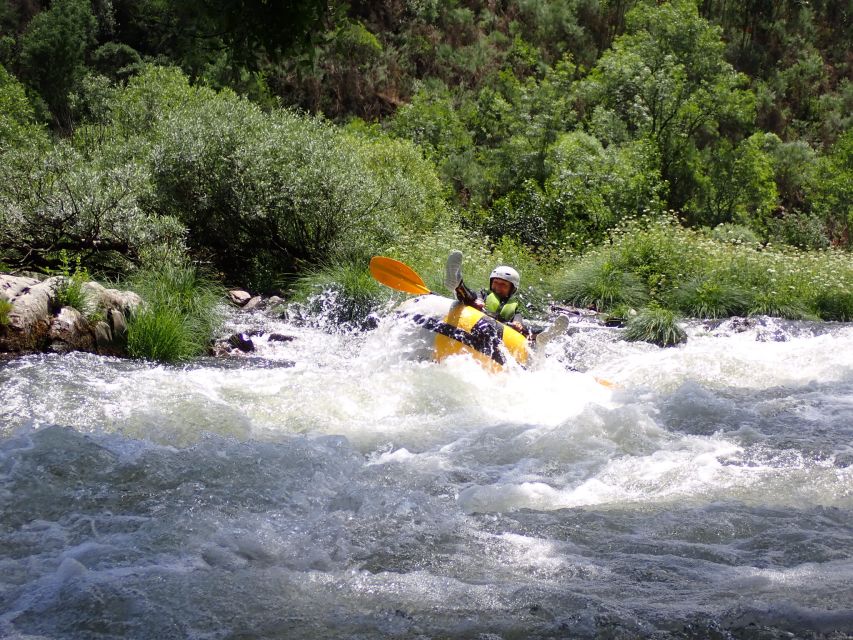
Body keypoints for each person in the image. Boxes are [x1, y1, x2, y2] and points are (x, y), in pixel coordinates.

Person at [444, 250, 527, 335]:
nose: (498, 287)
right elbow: (478, 296)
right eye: (496, 283)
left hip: (498, 332)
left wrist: (517, 324)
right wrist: (479, 301)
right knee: (472, 298)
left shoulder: (515, 308)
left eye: (503, 285)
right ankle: (457, 284)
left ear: (512, 289)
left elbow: (518, 322)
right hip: (476, 318)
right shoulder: (484, 294)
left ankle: (458, 285)